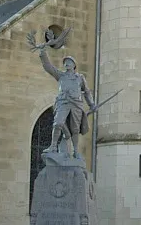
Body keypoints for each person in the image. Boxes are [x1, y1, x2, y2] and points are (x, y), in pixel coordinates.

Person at [31, 30, 96, 158]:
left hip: (76, 104)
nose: (66, 63)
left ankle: (75, 151)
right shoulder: (60, 75)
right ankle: (53, 145)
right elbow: (48, 67)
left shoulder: (79, 78)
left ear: (74, 65)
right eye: (65, 62)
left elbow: (87, 92)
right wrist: (43, 52)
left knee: (75, 129)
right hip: (63, 103)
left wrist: (92, 104)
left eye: (69, 62)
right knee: (58, 123)